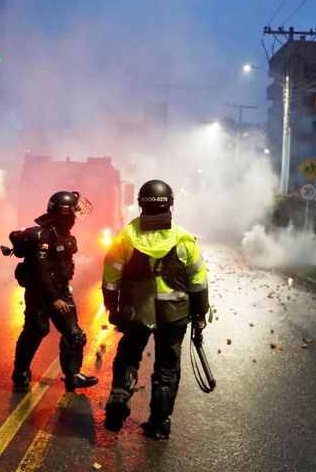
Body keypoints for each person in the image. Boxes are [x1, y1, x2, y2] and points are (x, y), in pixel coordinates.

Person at [101, 180, 210, 440]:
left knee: (128, 356)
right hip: (175, 315)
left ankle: (120, 395)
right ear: (171, 204)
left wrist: (113, 310)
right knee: (167, 368)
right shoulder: (185, 240)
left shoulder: (125, 238)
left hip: (136, 312)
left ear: (140, 203)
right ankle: (159, 424)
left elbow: (110, 279)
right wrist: (199, 316)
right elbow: (198, 283)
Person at [9, 191, 99, 392]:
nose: (76, 218)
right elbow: (41, 273)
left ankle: (73, 376)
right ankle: (21, 373)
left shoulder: (65, 236)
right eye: (73, 213)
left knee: (74, 334)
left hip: (61, 292)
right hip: (41, 295)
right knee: (35, 332)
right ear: (64, 214)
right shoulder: (43, 237)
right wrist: (54, 299)